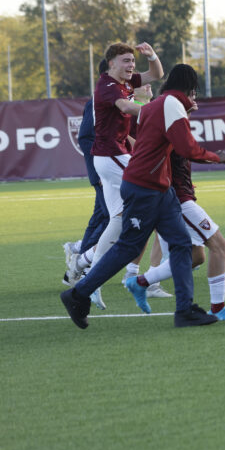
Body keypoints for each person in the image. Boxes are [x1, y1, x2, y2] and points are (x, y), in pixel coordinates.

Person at [59, 64, 225, 329]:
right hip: (145, 186)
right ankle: (77, 294)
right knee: (129, 247)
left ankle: (185, 310)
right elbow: (185, 148)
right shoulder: (171, 104)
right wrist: (215, 157)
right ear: (191, 87)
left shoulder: (161, 103)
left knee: (181, 245)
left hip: (159, 187)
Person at [64, 42, 164, 309]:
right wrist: (159, 112)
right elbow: (127, 107)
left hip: (111, 157)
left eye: (132, 60)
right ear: (111, 64)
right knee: (155, 197)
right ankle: (145, 275)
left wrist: (151, 56)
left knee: (117, 220)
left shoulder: (126, 82)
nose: (131, 65)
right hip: (111, 157)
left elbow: (156, 74)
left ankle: (89, 278)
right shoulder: (108, 85)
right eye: (125, 61)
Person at [124, 150, 225, 320]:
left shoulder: (164, 127)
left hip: (180, 196)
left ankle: (141, 282)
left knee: (196, 257)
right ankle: (218, 308)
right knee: (218, 245)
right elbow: (188, 148)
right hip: (180, 200)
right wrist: (216, 157)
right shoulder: (168, 125)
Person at [62, 59, 109, 286]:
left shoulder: (115, 97)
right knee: (112, 217)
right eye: (126, 63)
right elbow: (86, 136)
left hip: (110, 171)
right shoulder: (98, 101)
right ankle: (82, 262)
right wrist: (97, 170)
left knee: (102, 216)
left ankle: (78, 259)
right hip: (103, 172)